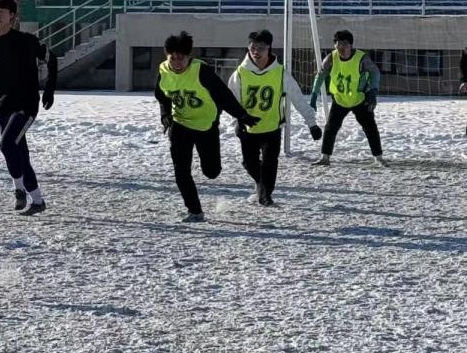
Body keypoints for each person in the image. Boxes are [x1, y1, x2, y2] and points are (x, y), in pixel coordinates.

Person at [154, 31, 258, 223]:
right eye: (172, 58)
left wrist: (242, 115)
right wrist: (165, 115)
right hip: (180, 124)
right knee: (181, 171)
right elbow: (162, 96)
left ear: (189, 56)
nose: (176, 63)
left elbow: (223, 95)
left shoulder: (201, 71)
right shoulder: (163, 71)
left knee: (212, 171)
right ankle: (195, 211)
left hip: (206, 126)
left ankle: (210, 169)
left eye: (181, 58)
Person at [0, 0, 57, 215]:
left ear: (12, 16)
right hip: (2, 107)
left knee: (7, 144)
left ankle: (18, 189)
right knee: (20, 154)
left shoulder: (26, 41)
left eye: (1, 11)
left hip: (26, 105)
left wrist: (49, 88)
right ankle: (37, 201)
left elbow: (52, 58)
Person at [228, 29, 322, 207]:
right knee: (249, 163)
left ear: (269, 48)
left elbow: (298, 98)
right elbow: (231, 100)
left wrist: (312, 123)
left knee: (270, 164)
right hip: (248, 128)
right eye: (252, 48)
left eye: (261, 48)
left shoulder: (280, 73)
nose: (256, 52)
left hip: (272, 128)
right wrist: (238, 120)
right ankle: (260, 184)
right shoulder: (240, 73)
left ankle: (266, 196)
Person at [309, 30, 385, 167]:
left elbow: (375, 72)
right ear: (335, 45)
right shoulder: (331, 58)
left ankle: (378, 157)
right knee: (331, 128)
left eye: (345, 45)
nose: (341, 48)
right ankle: (325, 157)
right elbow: (320, 75)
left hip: (360, 98)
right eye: (338, 45)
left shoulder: (362, 58)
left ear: (351, 45)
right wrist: (314, 95)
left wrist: (373, 92)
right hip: (340, 99)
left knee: (370, 128)